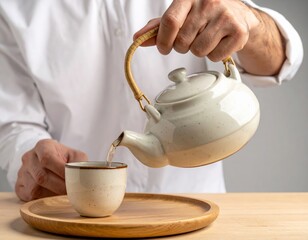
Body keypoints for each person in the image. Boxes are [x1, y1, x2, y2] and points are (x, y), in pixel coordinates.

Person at [0, 0, 303, 202]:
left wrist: (249, 22)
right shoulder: (14, 7)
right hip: (73, 212)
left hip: (199, 212)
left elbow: (280, 59)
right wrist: (31, 158)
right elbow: (14, 122)